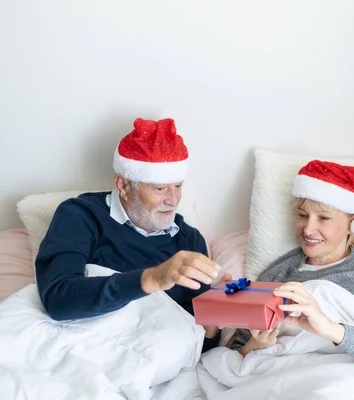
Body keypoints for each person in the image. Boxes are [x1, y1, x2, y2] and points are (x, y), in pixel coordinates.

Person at [35, 117, 223, 351]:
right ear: (123, 186)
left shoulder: (190, 241)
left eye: (178, 186)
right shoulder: (80, 216)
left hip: (154, 360)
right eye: (160, 188)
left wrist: (215, 322)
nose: (172, 200)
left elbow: (196, 344)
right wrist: (153, 278)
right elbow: (58, 299)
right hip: (86, 349)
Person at [229, 160, 354, 379]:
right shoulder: (278, 273)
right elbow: (236, 354)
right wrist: (258, 344)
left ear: (352, 223)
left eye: (324, 218)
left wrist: (330, 329)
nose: (309, 229)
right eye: (303, 215)